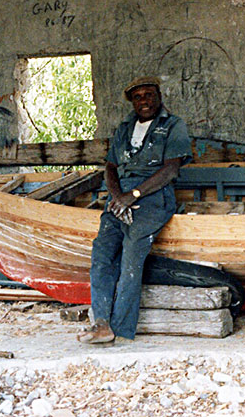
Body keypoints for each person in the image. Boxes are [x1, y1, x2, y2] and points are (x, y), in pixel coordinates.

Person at [78, 76, 192, 345]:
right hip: (120, 198)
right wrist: (117, 198)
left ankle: (121, 327)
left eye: (150, 95)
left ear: (159, 96)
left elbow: (171, 169)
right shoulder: (125, 128)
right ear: (132, 101)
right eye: (138, 96)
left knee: (131, 258)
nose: (145, 101)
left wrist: (134, 195)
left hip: (153, 196)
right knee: (102, 253)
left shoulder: (173, 125)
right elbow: (111, 168)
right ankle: (101, 323)